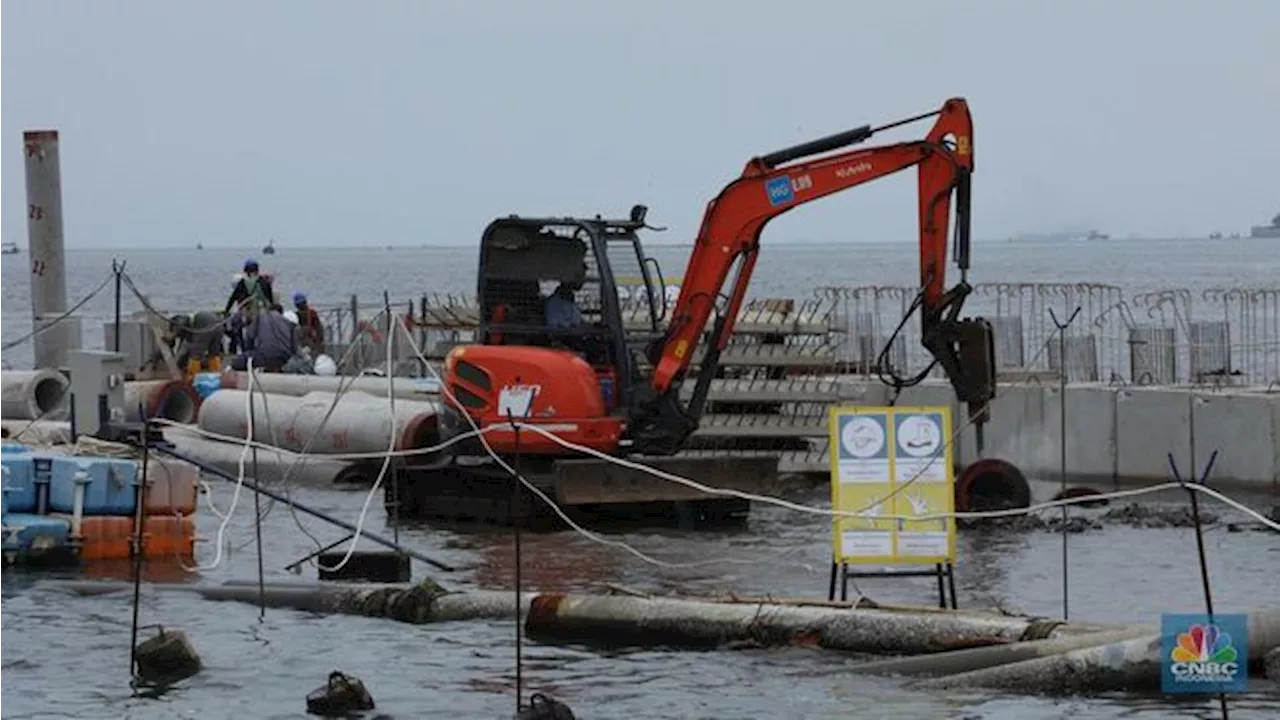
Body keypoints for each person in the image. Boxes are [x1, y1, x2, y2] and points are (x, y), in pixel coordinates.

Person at [231, 305, 299, 373]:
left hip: (265, 356)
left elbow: (250, 336)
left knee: (236, 363)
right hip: (284, 358)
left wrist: (248, 351)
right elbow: (294, 347)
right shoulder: (288, 323)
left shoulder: (261, 317)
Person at [225, 259, 274, 350]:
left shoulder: (243, 282)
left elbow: (233, 298)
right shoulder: (264, 282)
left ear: (246, 271)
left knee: (247, 335)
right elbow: (270, 299)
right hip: (263, 314)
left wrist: (226, 311)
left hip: (248, 315)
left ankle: (246, 353)